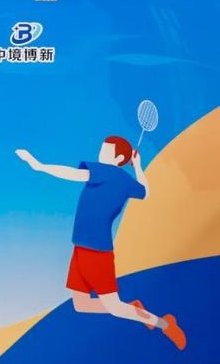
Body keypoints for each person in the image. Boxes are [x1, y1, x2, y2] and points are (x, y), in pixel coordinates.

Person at [16, 136, 185, 349]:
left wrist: (39, 166)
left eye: (106, 150)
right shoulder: (126, 181)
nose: (101, 153)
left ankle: (164, 324)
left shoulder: (105, 172)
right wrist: (138, 166)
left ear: (118, 158)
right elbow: (145, 191)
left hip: (96, 250)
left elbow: (74, 174)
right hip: (81, 246)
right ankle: (133, 308)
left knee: (114, 308)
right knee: (81, 304)